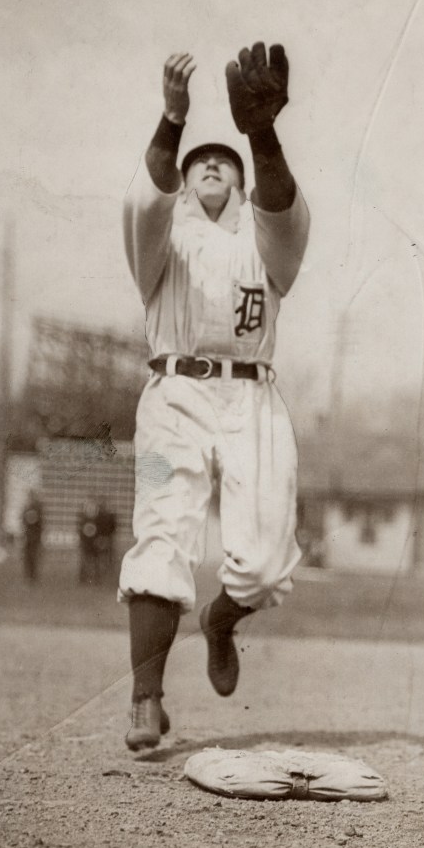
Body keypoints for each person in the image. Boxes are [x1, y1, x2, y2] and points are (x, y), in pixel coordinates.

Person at [118, 42, 310, 750]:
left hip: (252, 400)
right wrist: (173, 119)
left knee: (264, 565)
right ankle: (145, 698)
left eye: (223, 161)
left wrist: (260, 133)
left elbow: (283, 209)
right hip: (174, 394)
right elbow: (145, 199)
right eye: (198, 160)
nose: (209, 164)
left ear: (241, 182)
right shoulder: (162, 243)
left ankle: (220, 621)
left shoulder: (265, 246)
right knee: (161, 537)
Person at [21, 489, 44, 585]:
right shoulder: (26, 508)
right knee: (27, 557)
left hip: (35, 537)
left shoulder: (38, 508)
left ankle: (33, 576)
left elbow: (40, 523)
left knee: (33, 556)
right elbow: (23, 521)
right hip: (28, 536)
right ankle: (28, 576)